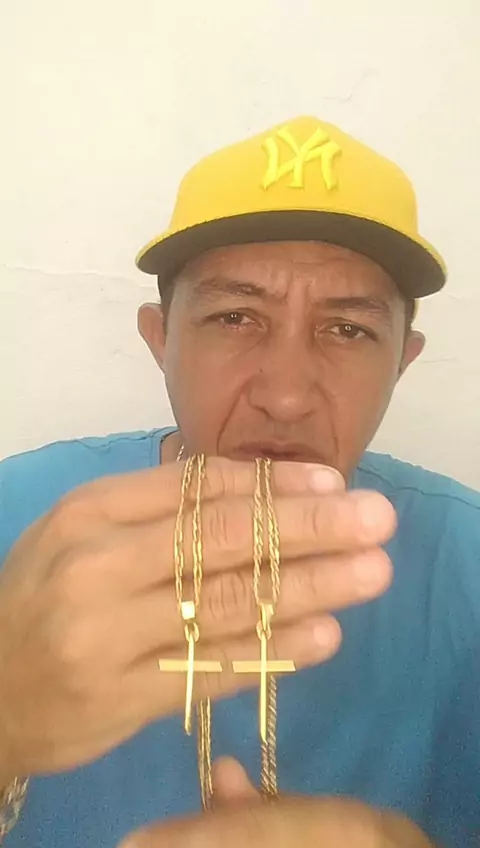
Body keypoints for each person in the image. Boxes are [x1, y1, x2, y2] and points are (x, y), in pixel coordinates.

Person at [0, 115, 478, 848]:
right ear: (160, 338)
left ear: (402, 362)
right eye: (234, 317)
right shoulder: (21, 520)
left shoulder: (466, 563)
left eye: (348, 330)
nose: (285, 397)